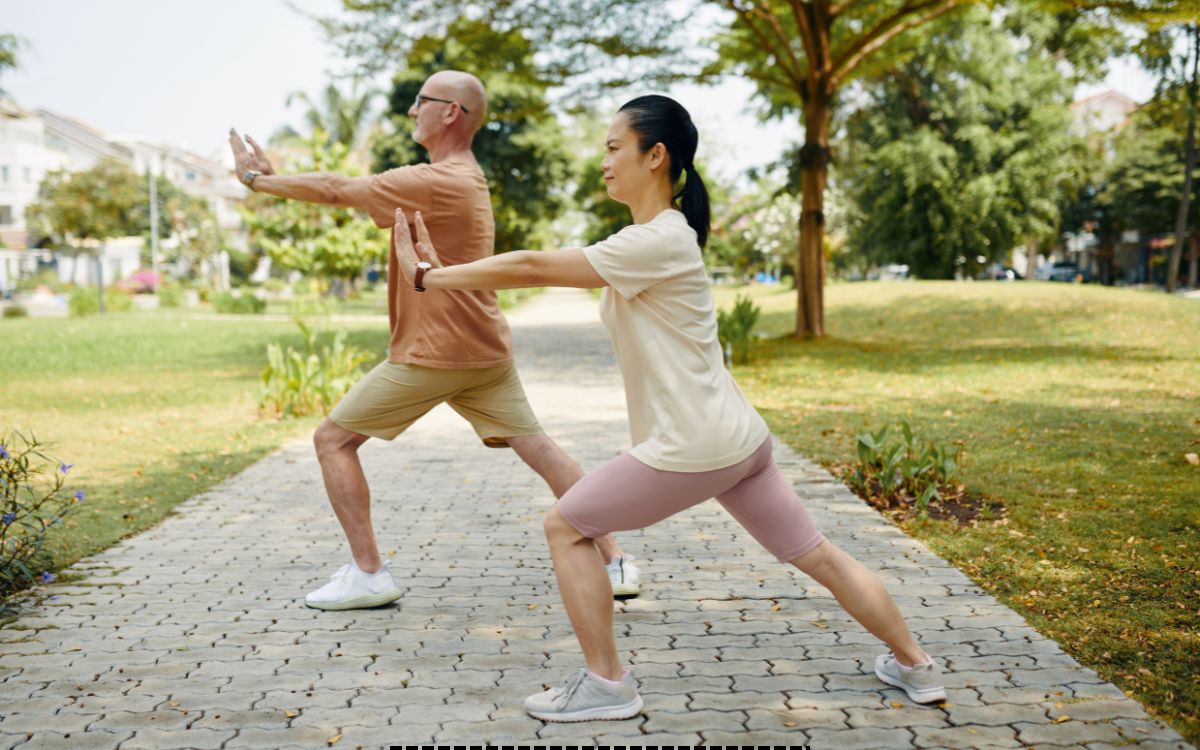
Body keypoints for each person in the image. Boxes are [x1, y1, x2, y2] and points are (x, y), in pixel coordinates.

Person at [390, 94, 947, 721]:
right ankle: (916, 666)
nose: (602, 161)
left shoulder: (657, 240)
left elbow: (532, 265)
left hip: (696, 445)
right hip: (738, 438)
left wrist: (429, 277)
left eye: (612, 148)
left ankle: (607, 685)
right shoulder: (659, 236)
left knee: (566, 527)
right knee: (815, 552)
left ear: (655, 156)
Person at [227, 70, 642, 610]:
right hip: (484, 351)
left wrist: (258, 181)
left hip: (436, 352)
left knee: (333, 441)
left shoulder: (436, 179)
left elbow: (336, 189)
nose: (410, 111)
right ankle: (615, 561)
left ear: (451, 113)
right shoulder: (466, 177)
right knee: (539, 448)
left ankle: (369, 573)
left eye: (421, 101)